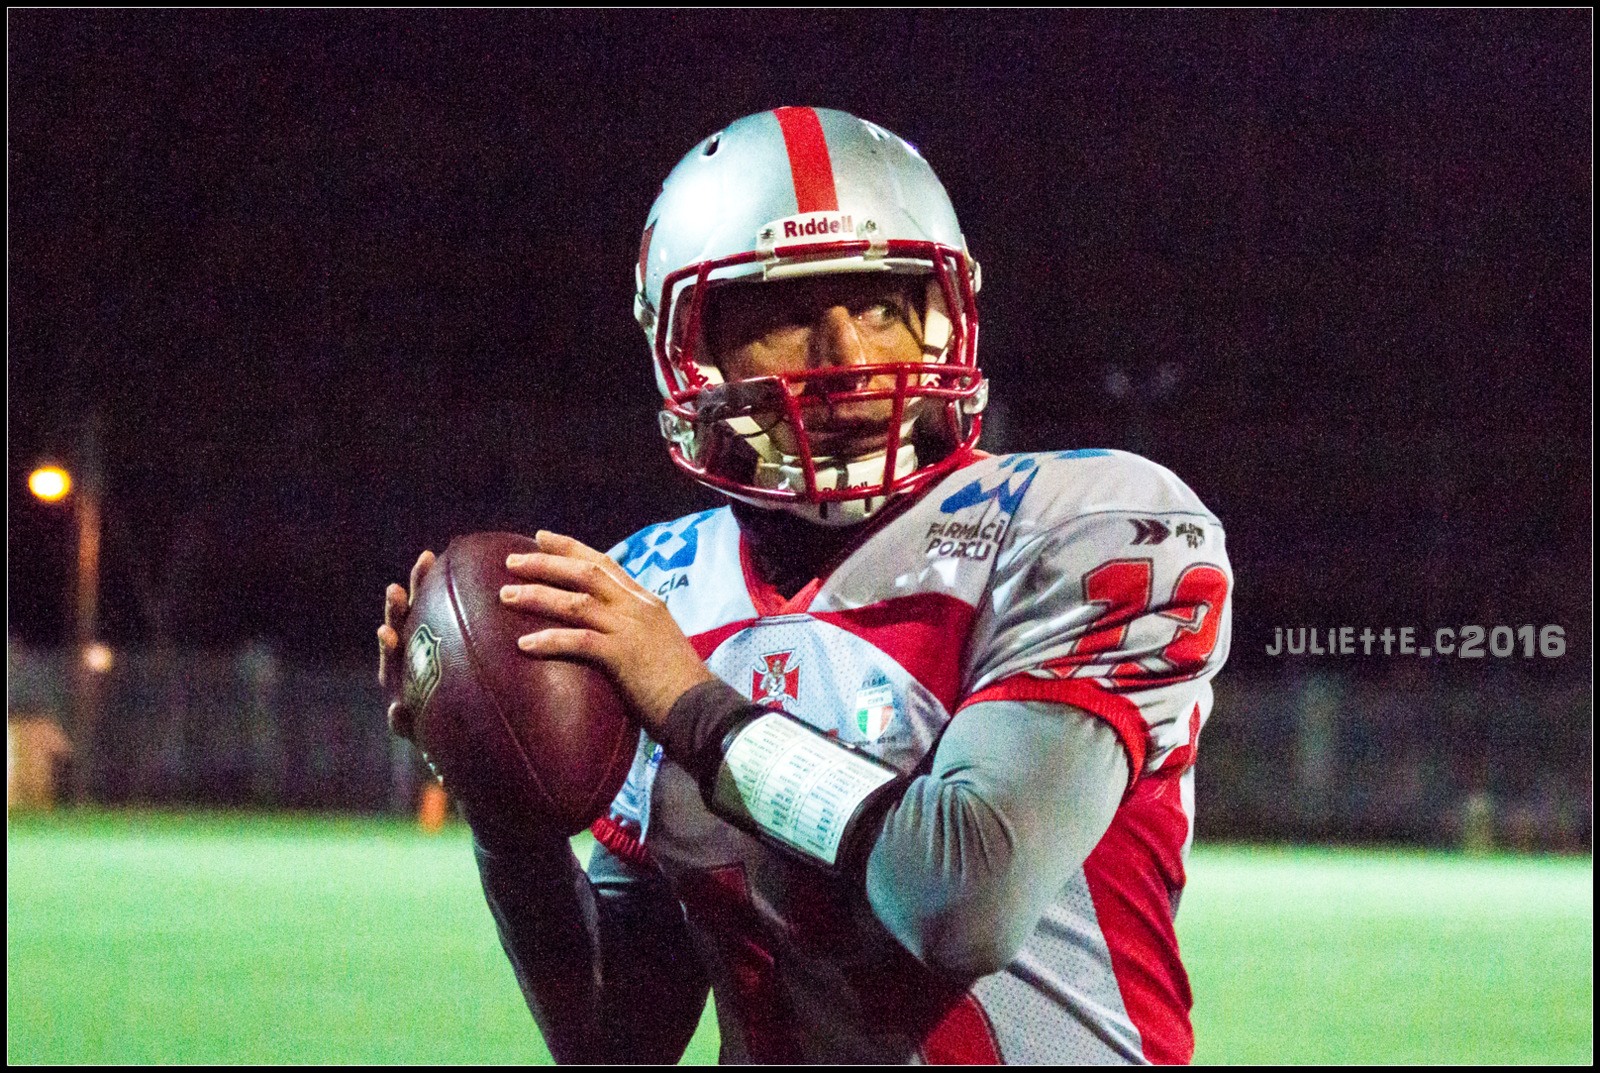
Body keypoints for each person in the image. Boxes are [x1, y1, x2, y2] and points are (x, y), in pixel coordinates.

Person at [378, 106, 1232, 1064]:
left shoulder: (1086, 523)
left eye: (878, 305)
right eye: (785, 314)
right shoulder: (660, 590)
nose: (850, 360)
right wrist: (508, 809)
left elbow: (959, 898)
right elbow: (616, 1038)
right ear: (689, 350)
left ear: (944, 315)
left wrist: (691, 708)